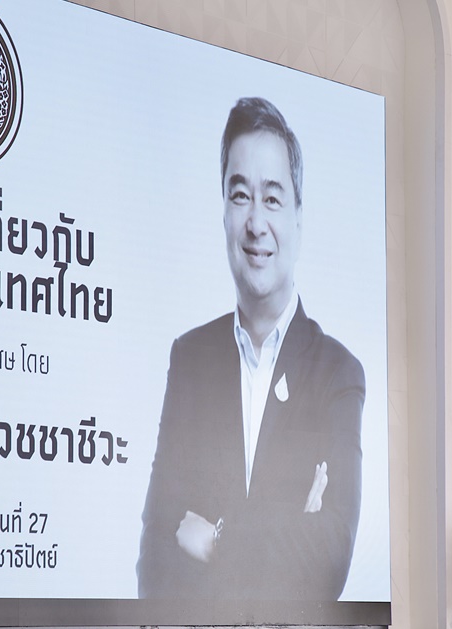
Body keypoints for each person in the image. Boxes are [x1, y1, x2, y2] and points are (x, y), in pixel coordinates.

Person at [136, 97, 365, 601]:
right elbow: (155, 550)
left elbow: (330, 555)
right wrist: (288, 531)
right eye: (240, 196)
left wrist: (216, 541)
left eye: (273, 199)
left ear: (298, 217)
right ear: (222, 212)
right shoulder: (190, 358)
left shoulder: (338, 373)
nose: (256, 222)